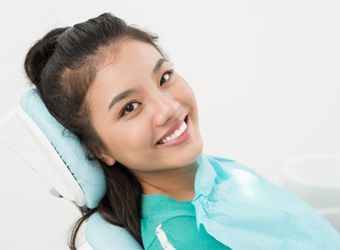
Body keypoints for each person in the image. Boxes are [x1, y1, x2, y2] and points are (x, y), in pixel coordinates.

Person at [24, 13, 340, 250]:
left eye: (164, 77)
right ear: (98, 148)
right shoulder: (180, 238)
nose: (168, 108)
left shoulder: (210, 174)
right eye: (130, 108)